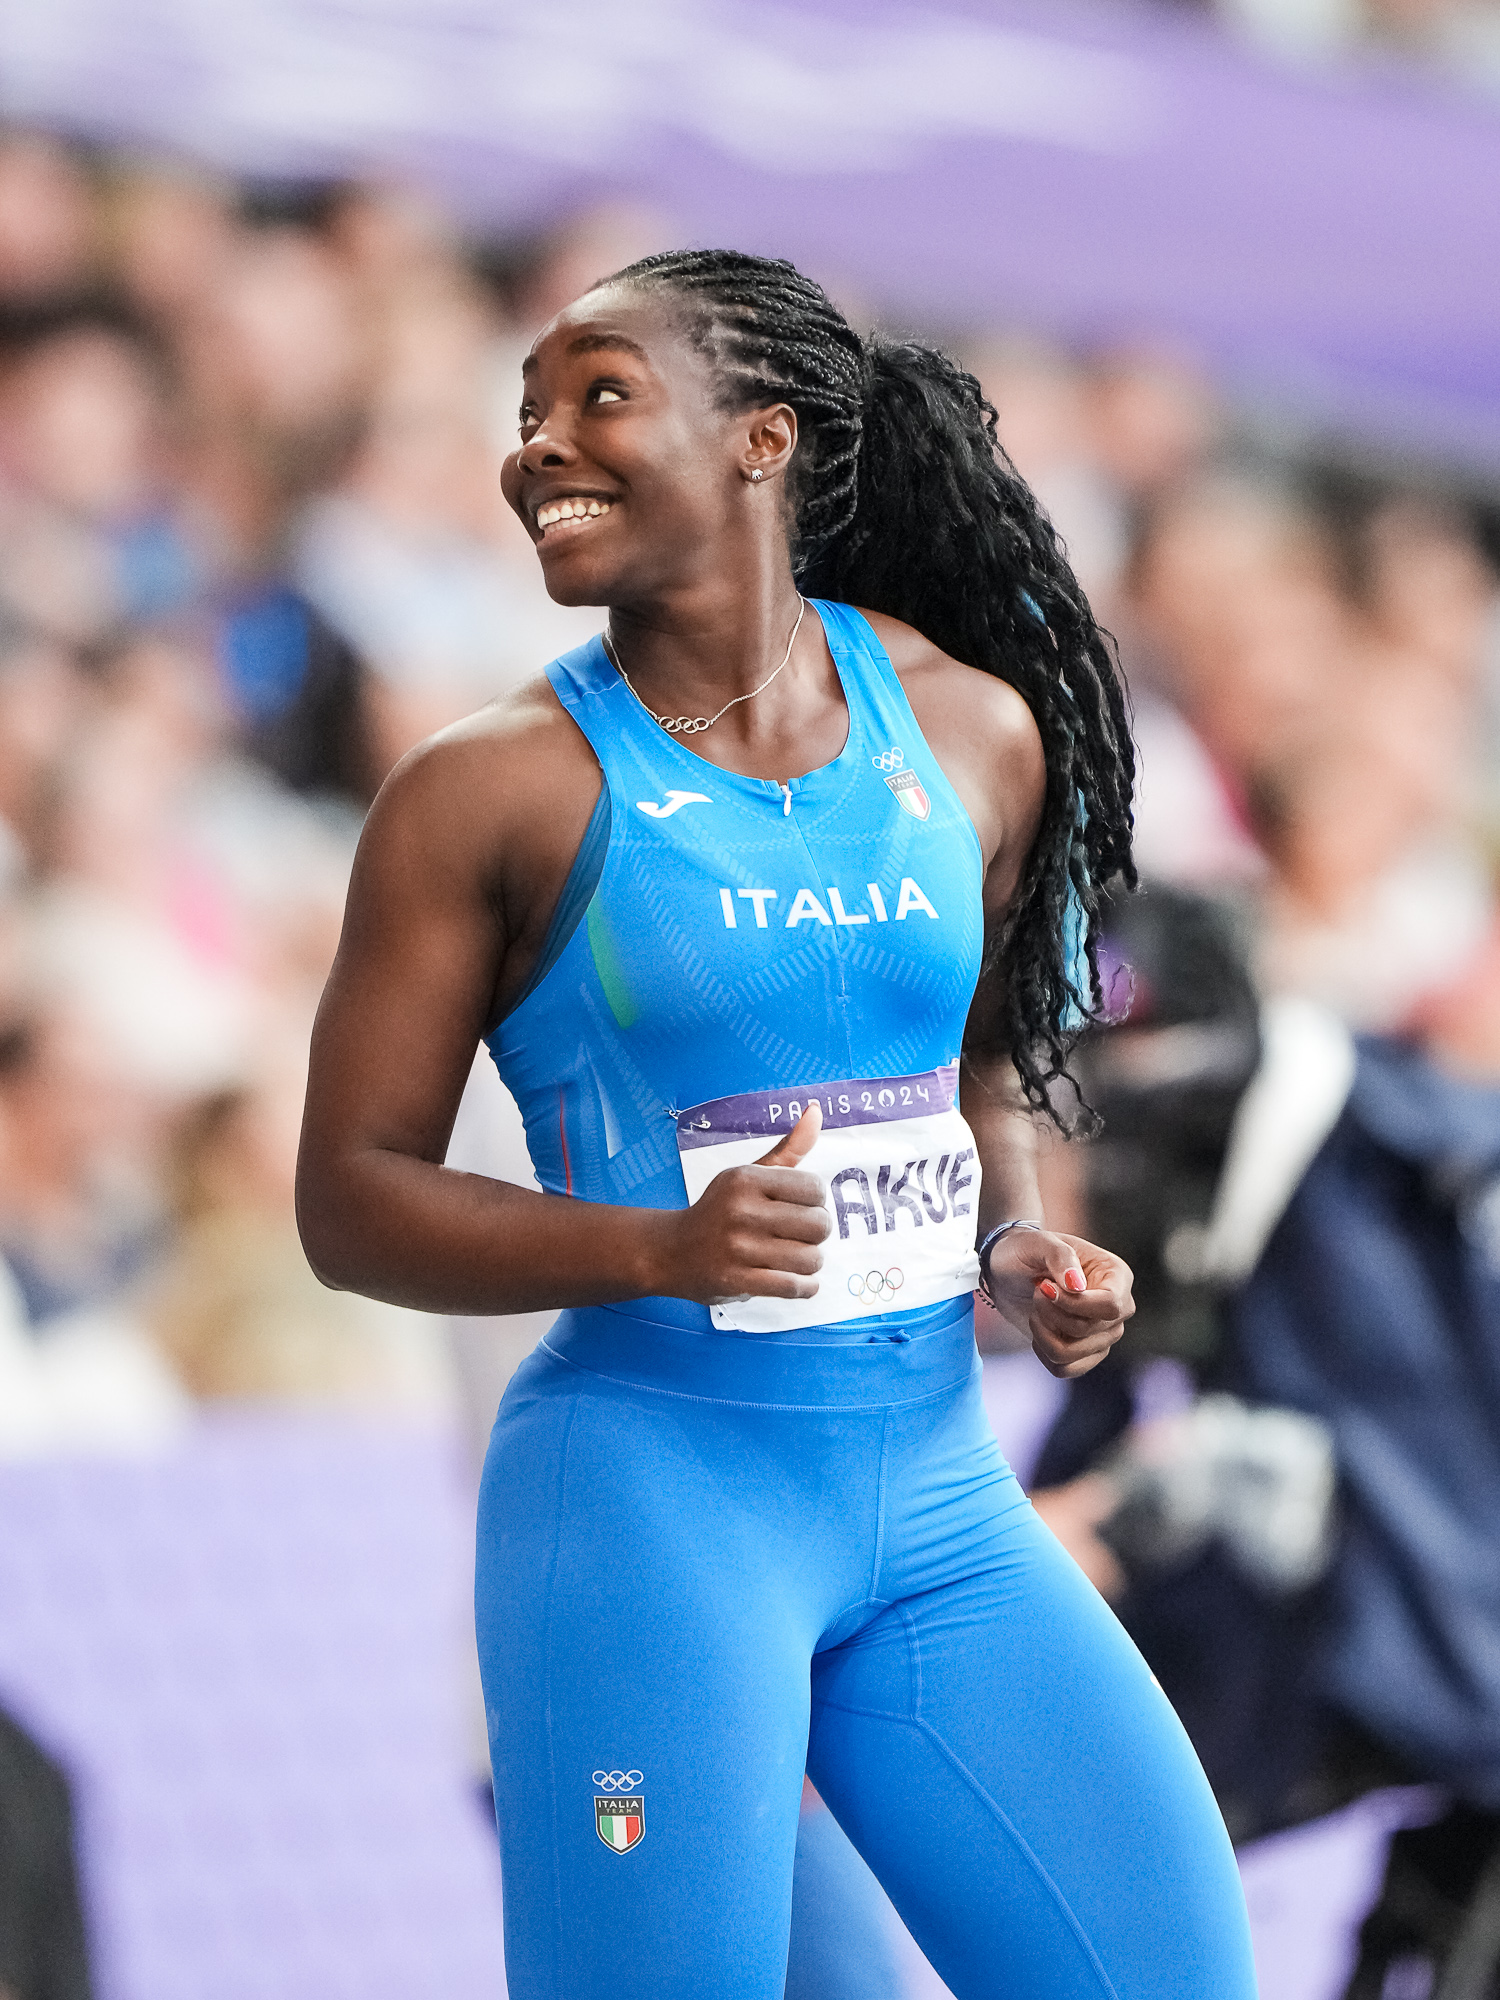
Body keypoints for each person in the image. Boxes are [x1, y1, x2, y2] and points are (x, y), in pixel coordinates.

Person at [296, 249, 1257, 1999]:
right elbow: (348, 1201)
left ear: (764, 438)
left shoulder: (974, 734)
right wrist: (658, 1248)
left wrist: (1016, 1233)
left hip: (942, 1508)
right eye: (526, 411)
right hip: (652, 1514)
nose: (538, 444)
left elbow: (985, 1062)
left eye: (599, 396)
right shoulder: (488, 791)